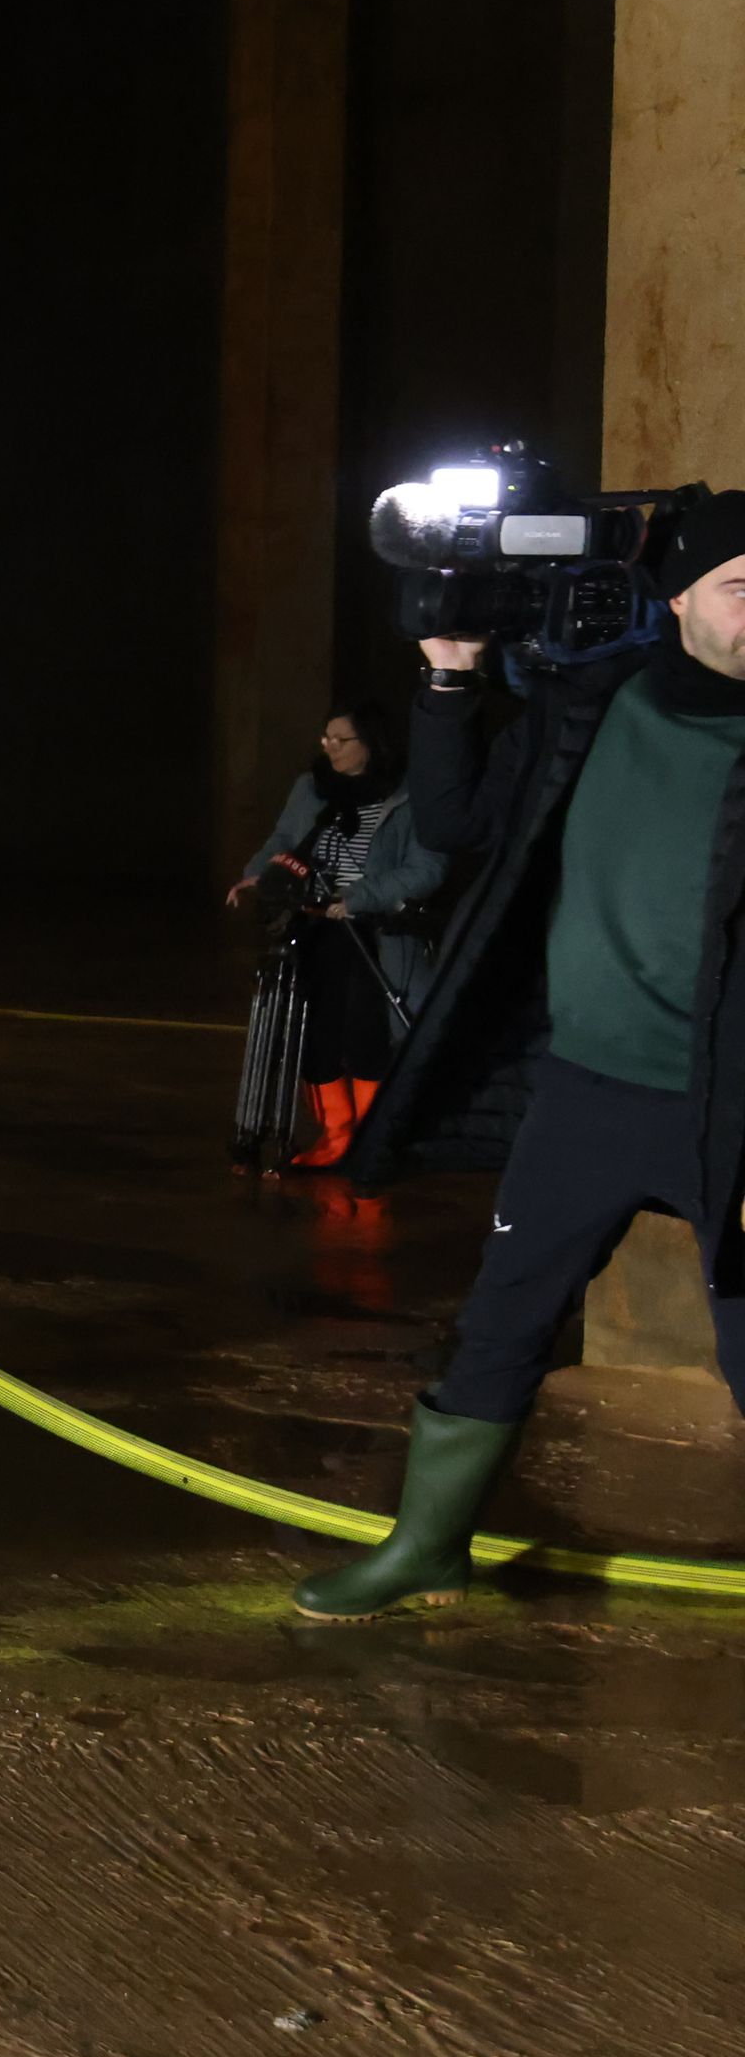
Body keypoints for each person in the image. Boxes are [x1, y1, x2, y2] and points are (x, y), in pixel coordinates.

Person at [309, 495, 745, 1618]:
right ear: (681, 599)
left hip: (730, 1109)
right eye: (744, 589)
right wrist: (451, 676)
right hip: (588, 1092)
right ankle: (427, 1549)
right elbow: (452, 827)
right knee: (501, 1321)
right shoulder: (594, 712)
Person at [225, 702, 444, 1165]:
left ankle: (372, 1138)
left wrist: (360, 897)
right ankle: (335, 1137)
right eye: (325, 739)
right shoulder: (311, 788)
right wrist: (260, 877)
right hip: (314, 923)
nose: (329, 748)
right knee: (314, 1036)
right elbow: (283, 842)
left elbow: (427, 868)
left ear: (371, 745)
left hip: (373, 931)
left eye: (340, 740)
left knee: (367, 1035)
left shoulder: (408, 795)